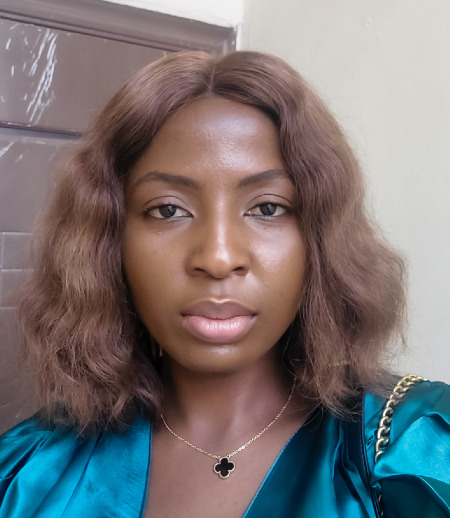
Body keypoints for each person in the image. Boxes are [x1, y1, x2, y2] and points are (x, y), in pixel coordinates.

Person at [0, 50, 449, 518]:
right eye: (168, 210)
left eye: (268, 208)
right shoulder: (23, 477)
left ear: (319, 238)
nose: (217, 258)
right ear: (109, 241)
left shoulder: (416, 450)